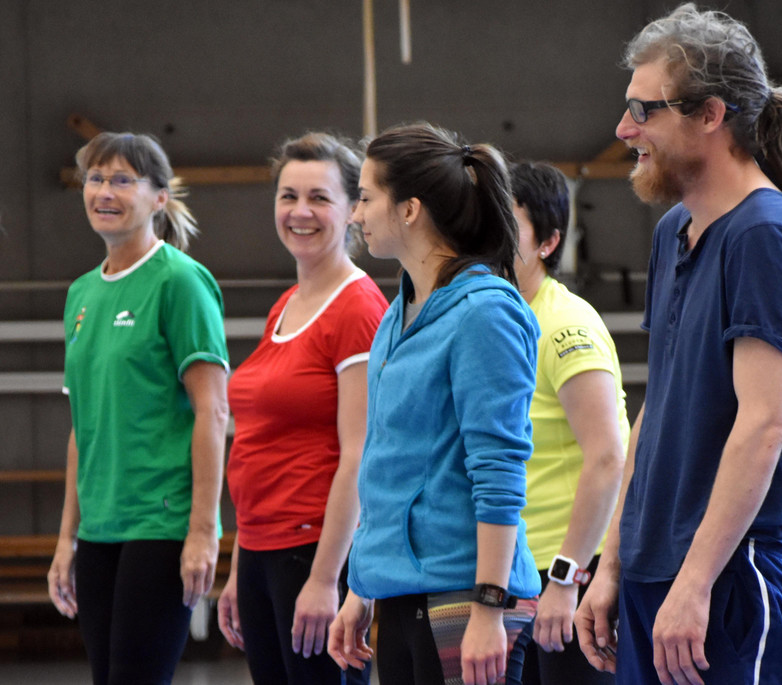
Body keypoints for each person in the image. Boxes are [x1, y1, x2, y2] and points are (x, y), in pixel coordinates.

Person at [574, 4, 782, 685]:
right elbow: (659, 409)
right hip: (655, 575)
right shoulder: (674, 231)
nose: (624, 130)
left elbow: (764, 425)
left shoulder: (764, 235)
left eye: (644, 111)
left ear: (710, 115)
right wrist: (611, 562)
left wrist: (696, 581)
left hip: (726, 578)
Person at [326, 123, 542, 685]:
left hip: (464, 595)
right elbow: (389, 464)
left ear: (409, 210)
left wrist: (490, 605)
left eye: (365, 197)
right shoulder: (398, 313)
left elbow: (498, 469)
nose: (355, 214)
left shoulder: (485, 313)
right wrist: (361, 588)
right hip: (402, 592)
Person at [47, 131, 230, 685]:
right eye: (96, 179)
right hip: (99, 527)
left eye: (123, 180)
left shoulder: (180, 281)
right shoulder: (80, 295)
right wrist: (66, 538)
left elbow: (213, 412)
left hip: (160, 522)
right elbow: (82, 426)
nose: (105, 191)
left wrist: (203, 531)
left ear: (159, 197)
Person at [216, 132, 387, 684]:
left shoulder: (357, 307)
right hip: (261, 549)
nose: (300, 212)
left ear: (352, 209)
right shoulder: (285, 306)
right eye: (288, 196)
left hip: (313, 550)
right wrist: (239, 565)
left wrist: (325, 578)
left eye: (319, 197)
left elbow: (360, 453)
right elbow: (258, 444)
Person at [509, 162, 628, 685]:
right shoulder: (499, 321)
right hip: (512, 567)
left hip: (567, 568)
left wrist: (566, 577)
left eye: (507, 226)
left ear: (548, 242)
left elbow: (609, 458)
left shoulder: (564, 325)